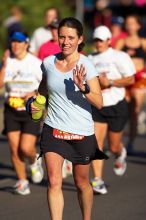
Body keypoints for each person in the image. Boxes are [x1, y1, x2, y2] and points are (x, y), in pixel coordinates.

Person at [29, 17, 108, 220]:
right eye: (62, 36)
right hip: (53, 129)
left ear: (80, 39)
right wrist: (36, 102)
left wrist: (84, 89)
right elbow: (44, 89)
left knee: (81, 183)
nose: (65, 42)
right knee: (54, 181)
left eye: (71, 37)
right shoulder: (47, 63)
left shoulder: (86, 65)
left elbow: (99, 102)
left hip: (81, 132)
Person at [88, 26, 135, 194]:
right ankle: (97, 180)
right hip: (97, 106)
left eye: (101, 40)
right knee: (95, 143)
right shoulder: (89, 58)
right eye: (96, 40)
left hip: (116, 105)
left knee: (113, 146)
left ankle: (120, 153)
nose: (98, 43)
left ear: (109, 40)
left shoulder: (119, 56)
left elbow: (130, 79)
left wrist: (111, 83)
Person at [0, 31, 44, 195]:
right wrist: (4, 65)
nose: (15, 45)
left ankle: (34, 162)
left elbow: (46, 86)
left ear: (26, 44)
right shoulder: (8, 61)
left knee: (26, 148)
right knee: (14, 147)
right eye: (13, 42)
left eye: (19, 42)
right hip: (11, 109)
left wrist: (34, 93)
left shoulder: (35, 63)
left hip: (30, 110)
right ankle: (22, 181)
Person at [115, 14, 146, 153]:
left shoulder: (143, 42)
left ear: (139, 25)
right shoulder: (121, 42)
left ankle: (131, 142)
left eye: (133, 23)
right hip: (125, 79)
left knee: (135, 109)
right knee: (122, 111)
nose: (130, 26)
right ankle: (117, 142)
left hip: (139, 80)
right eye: (128, 23)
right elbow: (113, 60)